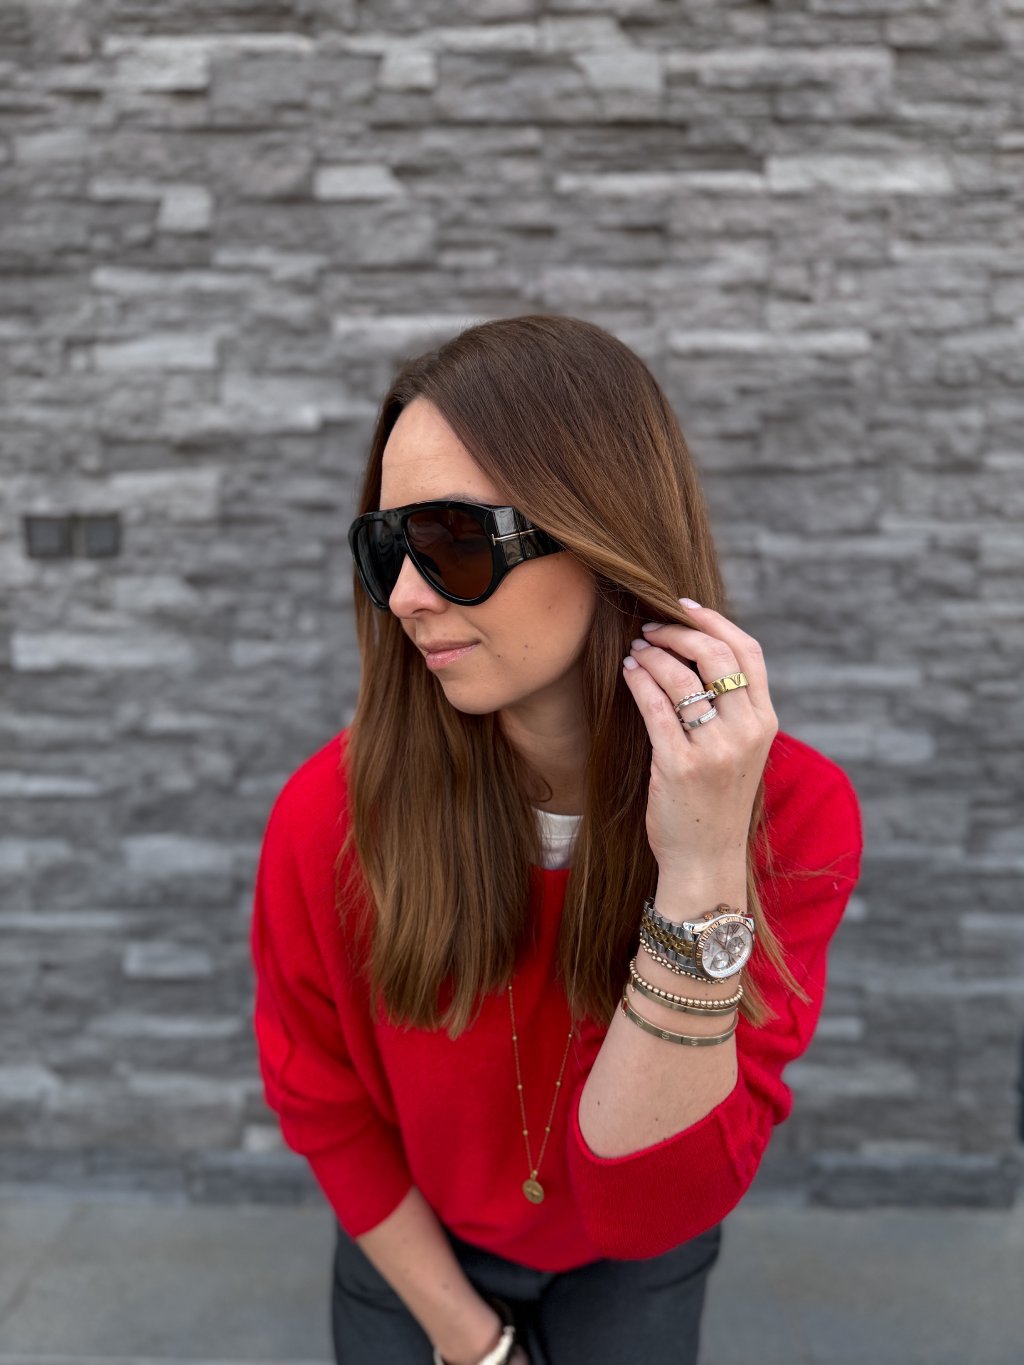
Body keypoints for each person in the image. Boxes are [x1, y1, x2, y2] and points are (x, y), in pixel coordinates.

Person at [250, 314, 862, 1365]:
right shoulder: (330, 816)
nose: (405, 596)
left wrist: (701, 866)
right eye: (388, 548)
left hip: (635, 1259)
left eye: (452, 540)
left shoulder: (791, 818)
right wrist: (471, 1340)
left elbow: (649, 1205)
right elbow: (326, 1102)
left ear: (604, 532)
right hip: (415, 1247)